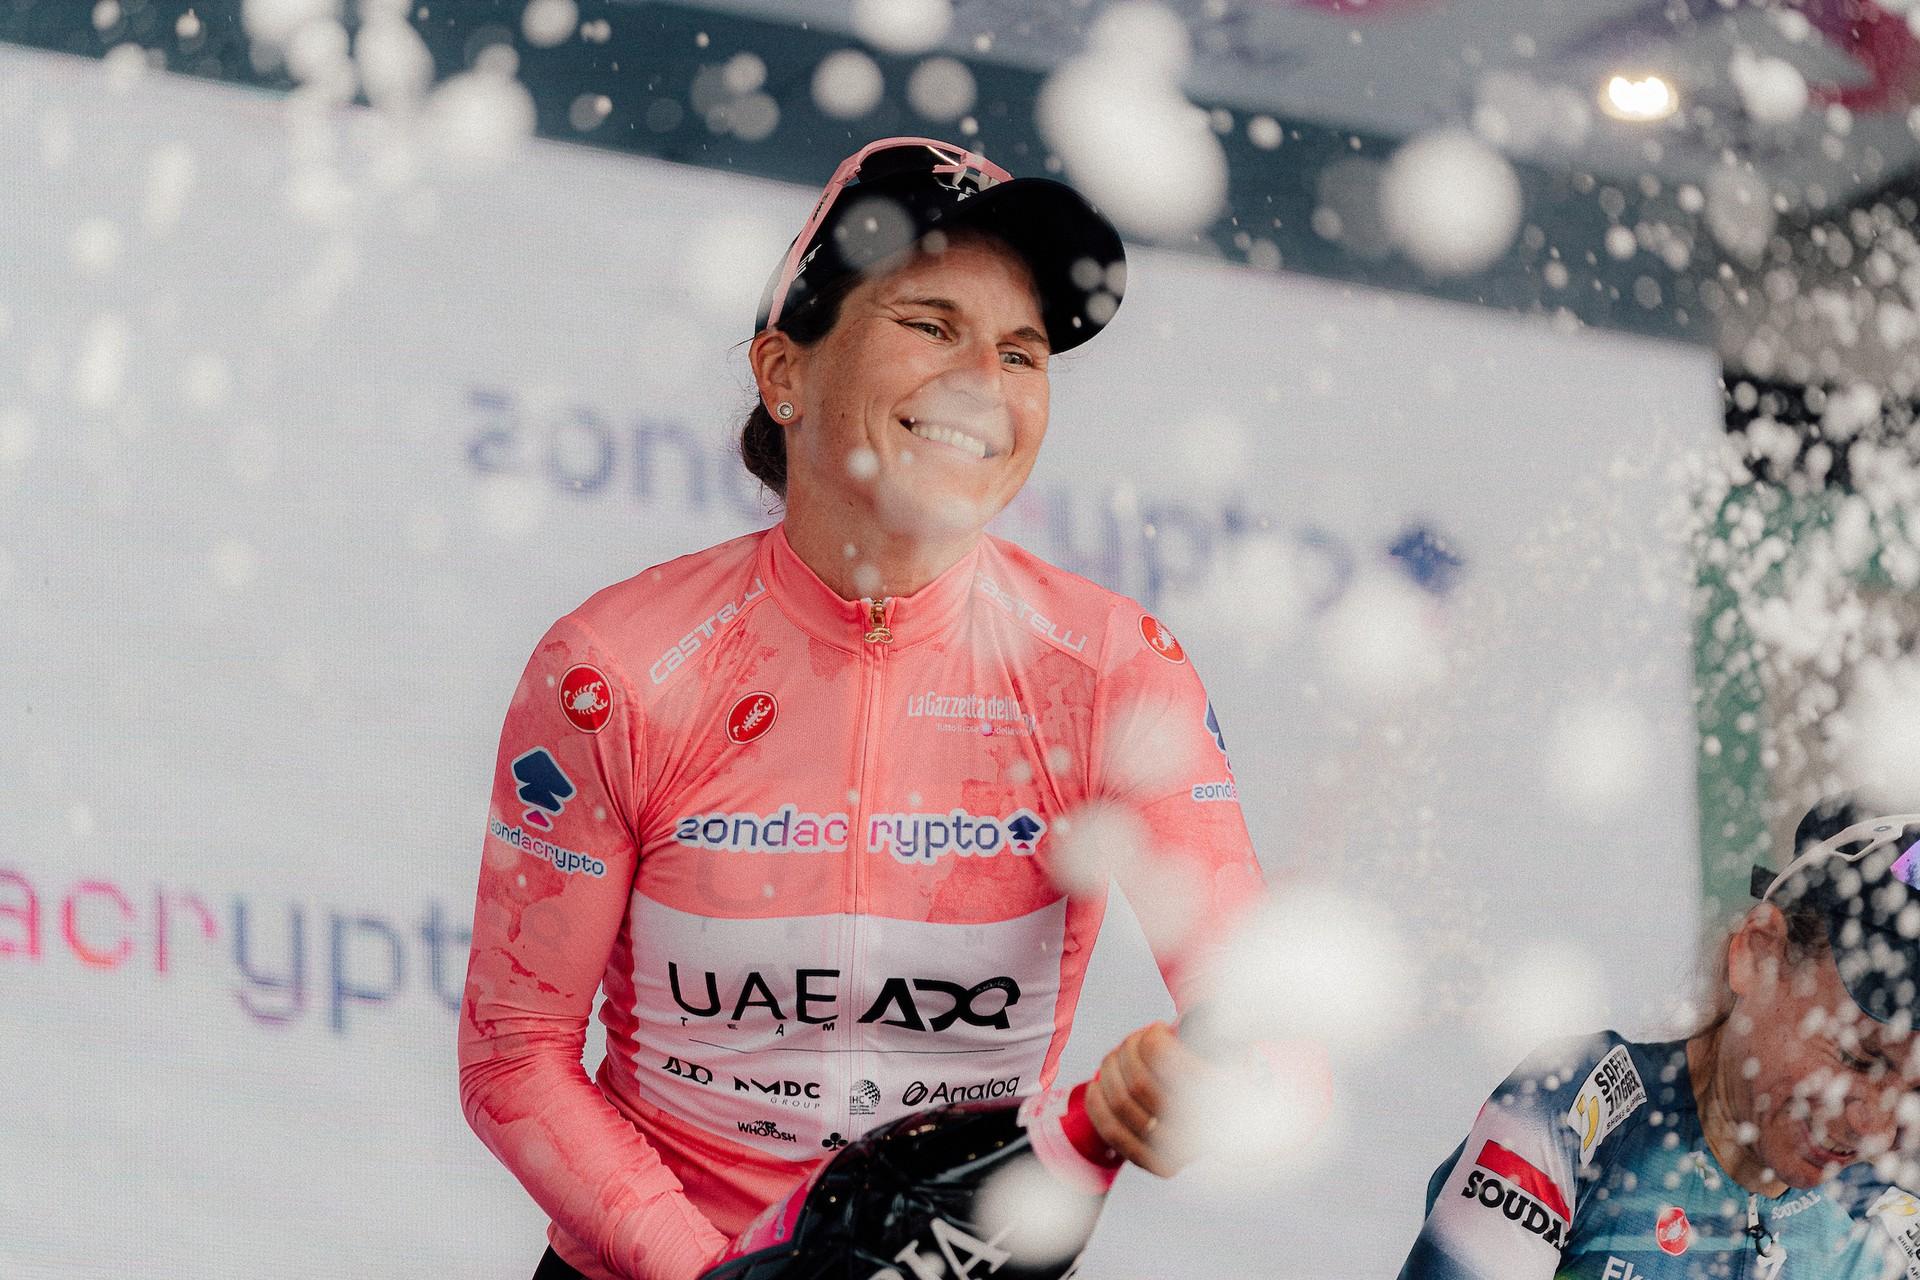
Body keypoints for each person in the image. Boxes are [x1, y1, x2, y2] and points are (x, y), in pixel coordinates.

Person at [457, 137, 1267, 1280]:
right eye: (932, 325)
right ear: (783, 370)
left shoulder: (1111, 669)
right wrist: (719, 1274)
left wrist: (1200, 1085)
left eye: (1022, 351)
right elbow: (514, 1054)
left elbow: (1269, 1020)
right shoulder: (616, 667)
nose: (984, 381)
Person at [1397, 797, 1920, 1279]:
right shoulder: (1580, 1109)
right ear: (1759, 956)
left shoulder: (1890, 1227)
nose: (1874, 1128)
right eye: (1858, 1058)